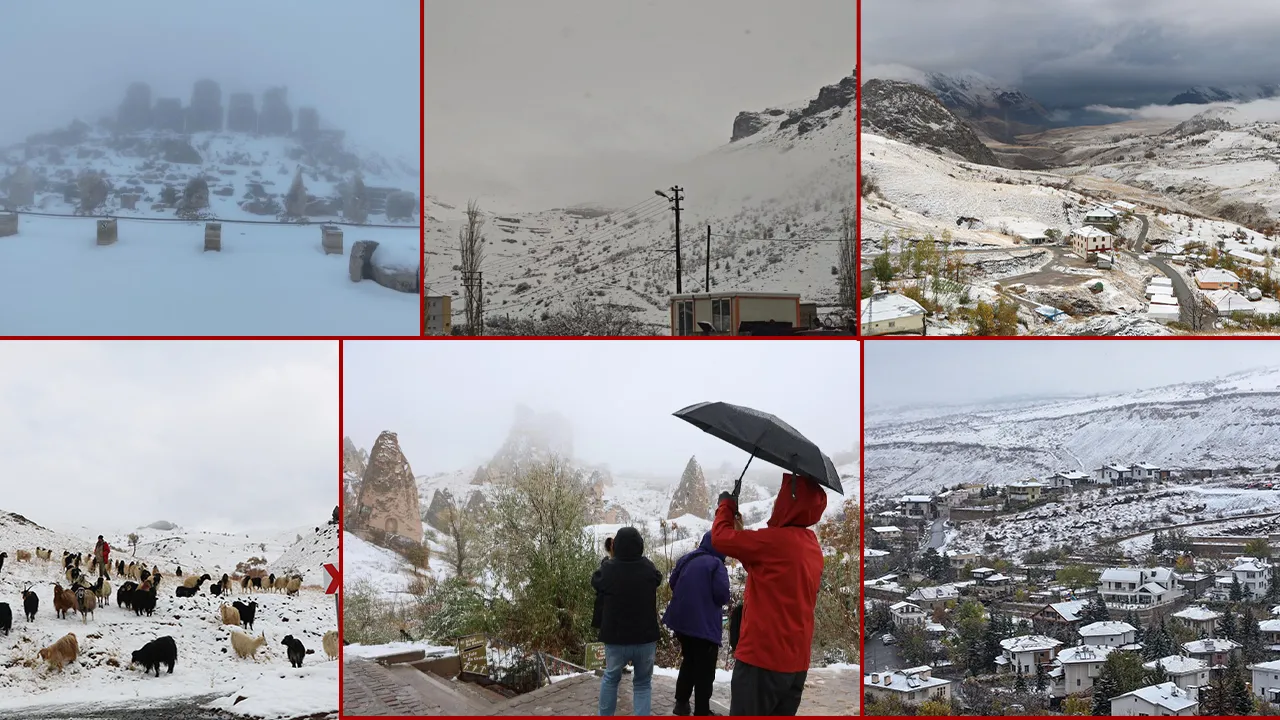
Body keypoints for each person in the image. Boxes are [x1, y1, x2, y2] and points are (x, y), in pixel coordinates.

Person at [711, 473, 826, 716]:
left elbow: (719, 539)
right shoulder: (811, 545)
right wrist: (741, 535)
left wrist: (726, 505)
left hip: (761, 660)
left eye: (780, 498)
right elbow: (768, 571)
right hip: (795, 664)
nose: (775, 504)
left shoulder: (774, 541)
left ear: (790, 503)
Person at [593, 526, 661, 716]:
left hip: (616, 639)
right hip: (645, 638)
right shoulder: (648, 568)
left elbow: (595, 581)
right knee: (642, 684)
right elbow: (658, 578)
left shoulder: (609, 569)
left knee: (611, 678)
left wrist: (610, 559)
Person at [662, 531, 730, 716]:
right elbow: (723, 595)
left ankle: (681, 704)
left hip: (682, 623)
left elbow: (673, 582)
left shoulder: (687, 558)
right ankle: (702, 710)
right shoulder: (716, 564)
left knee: (690, 661)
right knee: (705, 669)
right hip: (703, 624)